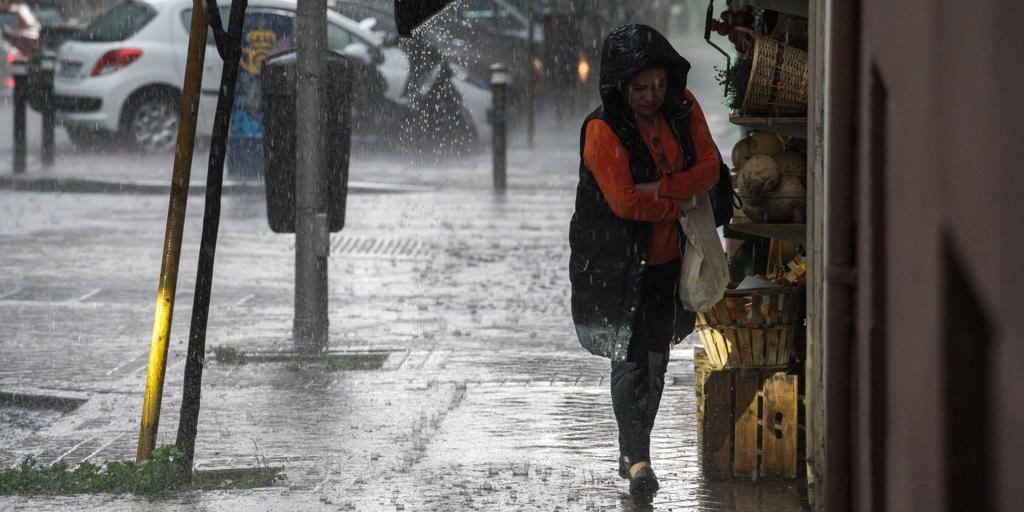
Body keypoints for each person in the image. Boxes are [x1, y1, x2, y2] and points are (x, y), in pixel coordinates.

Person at [568, 24, 721, 496]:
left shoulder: (684, 108)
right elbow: (624, 201)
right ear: (619, 86)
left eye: (658, 84)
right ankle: (639, 462)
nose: (652, 96)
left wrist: (663, 188)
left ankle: (634, 449)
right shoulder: (601, 129)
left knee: (655, 361)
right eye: (639, 88)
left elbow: (711, 168)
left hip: (668, 261)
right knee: (629, 359)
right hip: (616, 265)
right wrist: (677, 203)